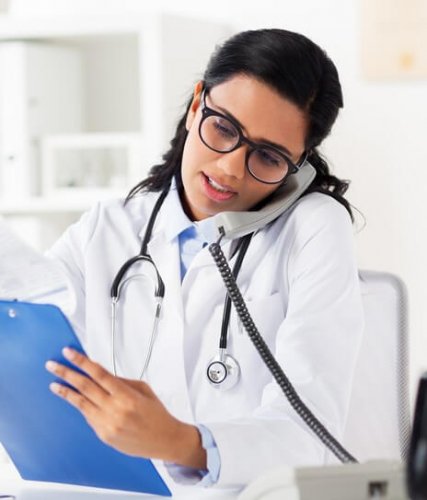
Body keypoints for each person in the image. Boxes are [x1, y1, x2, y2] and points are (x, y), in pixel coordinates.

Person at [44, 28, 363, 489]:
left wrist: (181, 442)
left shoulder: (313, 227)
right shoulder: (108, 227)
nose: (231, 167)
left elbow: (312, 431)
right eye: (224, 129)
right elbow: (27, 325)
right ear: (197, 104)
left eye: (269, 156)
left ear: (300, 165)